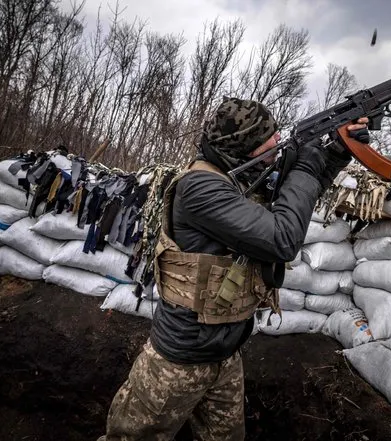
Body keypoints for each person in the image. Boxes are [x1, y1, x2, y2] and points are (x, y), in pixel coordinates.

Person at [98, 97, 370, 441]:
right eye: (267, 145)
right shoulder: (200, 187)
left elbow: (299, 194)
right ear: (240, 149)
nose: (276, 149)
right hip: (178, 362)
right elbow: (281, 238)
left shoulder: (242, 179)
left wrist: (334, 154)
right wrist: (305, 167)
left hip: (225, 356)